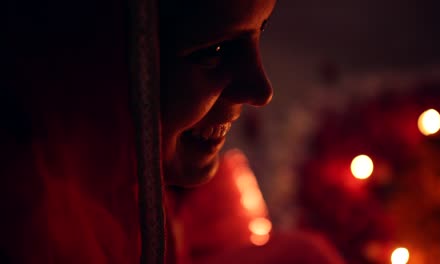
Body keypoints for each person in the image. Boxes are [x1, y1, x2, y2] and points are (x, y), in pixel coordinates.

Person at [3, 0, 344, 263]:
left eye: (262, 29)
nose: (261, 89)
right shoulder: (40, 233)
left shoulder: (135, 191)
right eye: (213, 51)